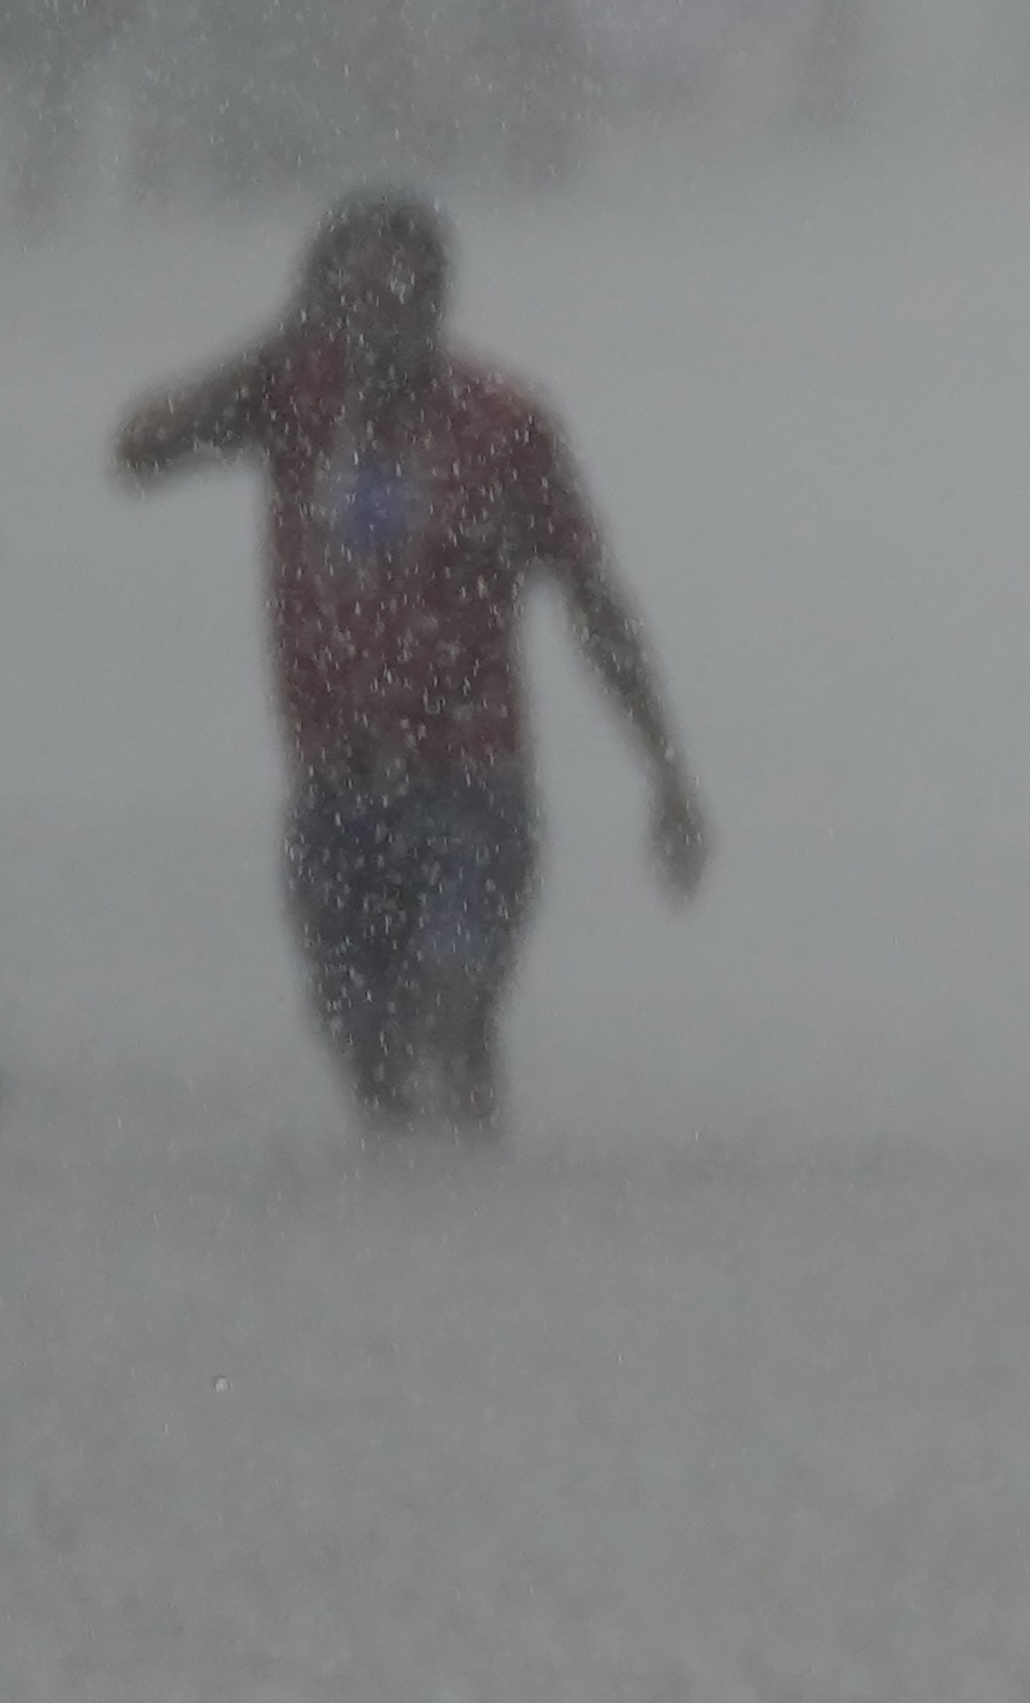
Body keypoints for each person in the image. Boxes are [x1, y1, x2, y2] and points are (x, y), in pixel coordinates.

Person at [113, 184, 706, 1132]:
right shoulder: (293, 398)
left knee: (455, 1013)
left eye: (401, 285)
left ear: (439, 294)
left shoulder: (503, 423)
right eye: (355, 289)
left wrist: (666, 771)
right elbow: (139, 452)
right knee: (373, 1066)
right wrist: (278, 336)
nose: (379, 309)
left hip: (471, 787)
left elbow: (594, 601)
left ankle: (482, 1241)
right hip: (335, 793)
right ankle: (411, 1251)